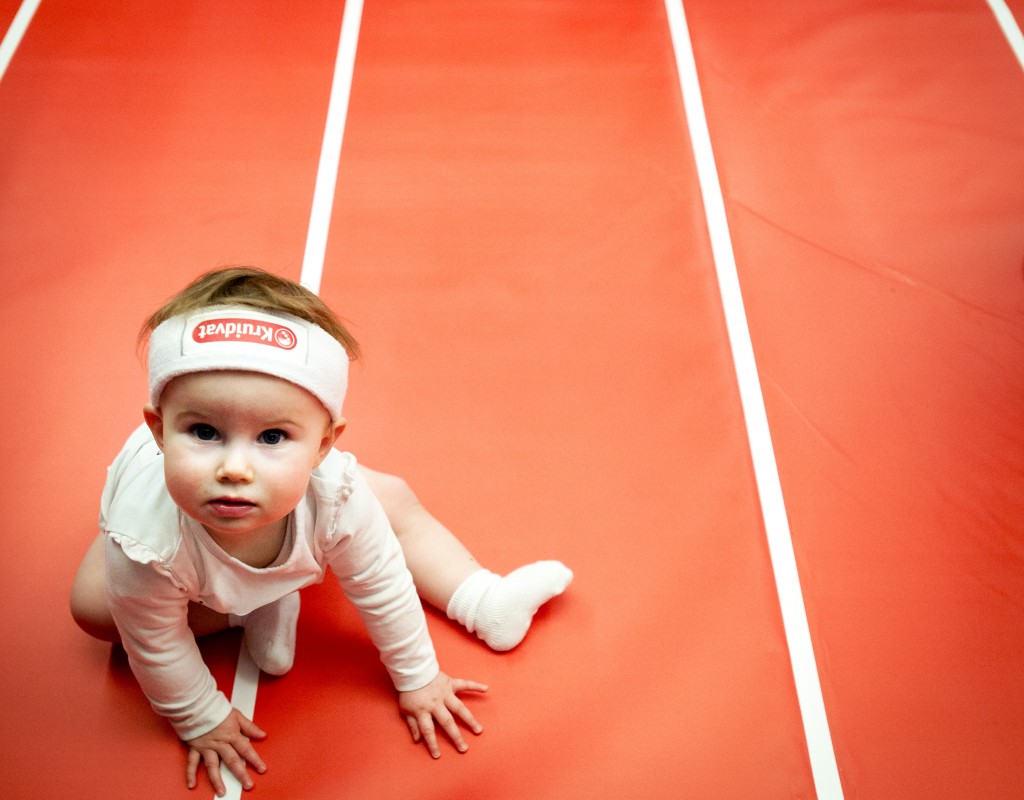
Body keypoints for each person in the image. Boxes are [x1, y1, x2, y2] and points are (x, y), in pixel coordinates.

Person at [69, 267, 573, 797]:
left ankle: (481, 598)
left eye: (271, 436)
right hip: (178, 564)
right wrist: (200, 716)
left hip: (308, 507)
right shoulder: (147, 542)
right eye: (203, 432)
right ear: (158, 430)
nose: (235, 468)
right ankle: (257, 603)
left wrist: (418, 677)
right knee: (99, 611)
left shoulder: (336, 495)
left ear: (323, 445)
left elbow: (381, 585)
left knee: (392, 499)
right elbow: (157, 642)